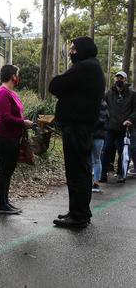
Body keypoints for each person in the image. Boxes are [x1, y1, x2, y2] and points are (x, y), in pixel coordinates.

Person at [49, 36, 105, 228]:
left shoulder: (85, 67)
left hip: (77, 127)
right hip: (79, 127)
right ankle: (77, 211)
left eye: (74, 49)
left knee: (77, 171)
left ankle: (79, 215)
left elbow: (55, 85)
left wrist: (64, 89)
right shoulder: (91, 67)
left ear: (82, 49)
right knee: (79, 170)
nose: (71, 52)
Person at [0, 65, 33, 215]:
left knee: (8, 170)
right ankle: (0, 204)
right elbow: (6, 118)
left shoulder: (12, 93)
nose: (18, 77)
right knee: (4, 170)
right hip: (4, 137)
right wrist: (23, 123)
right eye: (17, 74)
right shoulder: (2, 93)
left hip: (13, 137)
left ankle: (5, 201)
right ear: (12, 76)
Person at [100, 71, 136, 183]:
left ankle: (121, 174)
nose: (119, 80)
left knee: (123, 151)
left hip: (124, 129)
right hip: (110, 127)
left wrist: (130, 120)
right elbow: (103, 107)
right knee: (105, 149)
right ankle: (102, 174)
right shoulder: (108, 93)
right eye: (117, 78)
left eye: (121, 78)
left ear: (125, 80)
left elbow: (135, 110)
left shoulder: (132, 94)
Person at [91, 100, 109, 193]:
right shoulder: (103, 103)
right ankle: (92, 182)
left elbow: (101, 120)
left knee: (96, 159)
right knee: (91, 159)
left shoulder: (101, 103)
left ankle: (96, 182)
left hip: (97, 135)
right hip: (93, 135)